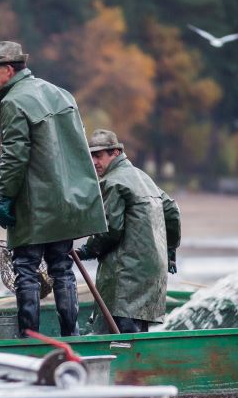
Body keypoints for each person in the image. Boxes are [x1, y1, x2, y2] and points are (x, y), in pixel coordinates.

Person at [0, 41, 106, 337]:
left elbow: (14, 157)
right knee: (62, 268)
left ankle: (30, 338)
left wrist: (5, 197)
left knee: (25, 269)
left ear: (9, 69)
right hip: (68, 203)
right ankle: (71, 335)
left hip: (34, 207)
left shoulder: (13, 102)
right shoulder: (61, 94)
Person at [75, 129, 182, 333]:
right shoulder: (143, 178)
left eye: (98, 155)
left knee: (121, 338)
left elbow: (110, 230)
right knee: (138, 335)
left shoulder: (112, 181)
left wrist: (87, 250)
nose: (94, 162)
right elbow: (172, 211)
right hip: (153, 273)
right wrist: (169, 251)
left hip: (125, 275)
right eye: (91, 156)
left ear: (115, 152)